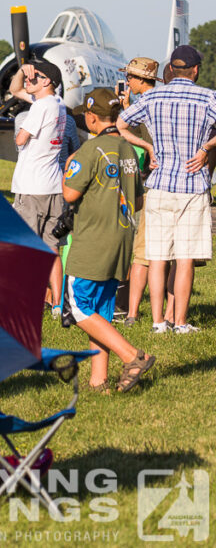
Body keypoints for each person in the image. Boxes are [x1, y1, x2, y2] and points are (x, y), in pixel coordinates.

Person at [117, 45, 216, 334]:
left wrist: (147, 146)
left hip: (159, 184)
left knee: (157, 257)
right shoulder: (208, 96)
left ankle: (158, 321)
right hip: (192, 183)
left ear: (171, 69)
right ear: (196, 70)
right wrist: (206, 148)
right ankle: (180, 321)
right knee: (184, 258)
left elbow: (122, 124)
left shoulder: (154, 96)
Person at [62, 88, 155, 393]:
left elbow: (69, 193)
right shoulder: (128, 148)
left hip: (94, 239)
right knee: (100, 309)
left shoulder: (91, 151)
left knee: (78, 308)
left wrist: (68, 167)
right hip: (122, 240)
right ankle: (97, 379)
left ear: (91, 118)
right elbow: (138, 201)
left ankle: (132, 356)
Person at [7, 60, 67, 314]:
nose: (30, 80)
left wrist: (20, 134)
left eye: (36, 76)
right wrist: (23, 71)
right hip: (54, 184)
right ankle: (57, 303)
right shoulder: (58, 104)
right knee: (52, 247)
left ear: (47, 82)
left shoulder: (40, 107)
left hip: (31, 186)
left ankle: (28, 299)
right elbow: (14, 90)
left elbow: (21, 138)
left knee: (27, 247)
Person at [116, 57, 160, 326]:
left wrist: (147, 147)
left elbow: (125, 127)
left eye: (131, 77)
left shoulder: (148, 101)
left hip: (156, 178)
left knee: (143, 251)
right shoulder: (153, 100)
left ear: (142, 80)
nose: (128, 82)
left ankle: (131, 312)